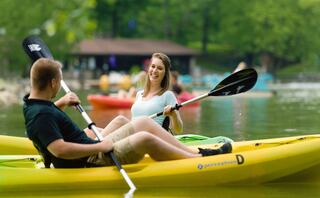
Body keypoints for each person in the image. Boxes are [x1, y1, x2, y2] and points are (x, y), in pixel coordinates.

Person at [23, 58, 232, 168]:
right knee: (143, 138)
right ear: (52, 82)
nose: (60, 86)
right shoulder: (41, 114)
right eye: (59, 82)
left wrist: (62, 101)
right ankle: (196, 162)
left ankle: (196, 153)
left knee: (141, 122)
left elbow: (46, 118)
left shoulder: (34, 104)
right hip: (90, 158)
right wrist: (100, 145)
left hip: (92, 147)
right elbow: (59, 150)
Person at [131, 53, 183, 133]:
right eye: (153, 66)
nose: (155, 70)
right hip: (134, 136)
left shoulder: (168, 95)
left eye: (160, 68)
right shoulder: (139, 94)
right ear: (149, 68)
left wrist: (174, 115)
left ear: (165, 73)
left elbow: (179, 130)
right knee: (120, 120)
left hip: (152, 139)